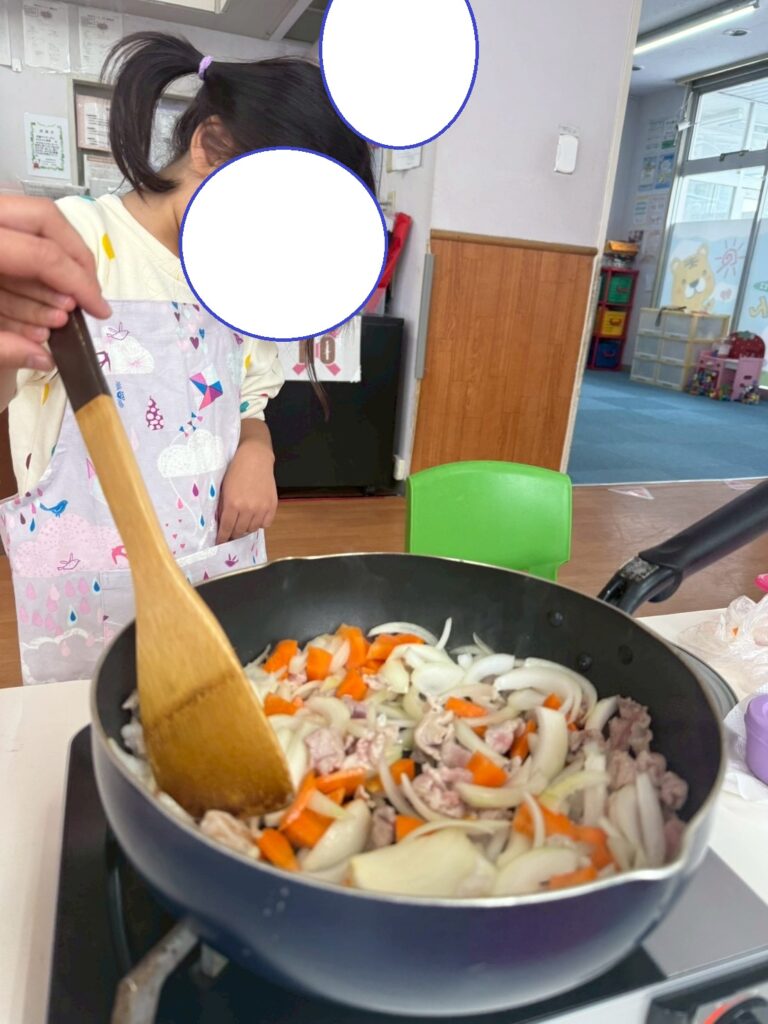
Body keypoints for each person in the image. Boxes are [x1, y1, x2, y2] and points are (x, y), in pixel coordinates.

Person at [0, 32, 374, 684]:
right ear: (212, 146)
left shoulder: (243, 285)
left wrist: (256, 449)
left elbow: (249, 396)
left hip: (212, 566)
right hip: (87, 592)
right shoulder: (80, 243)